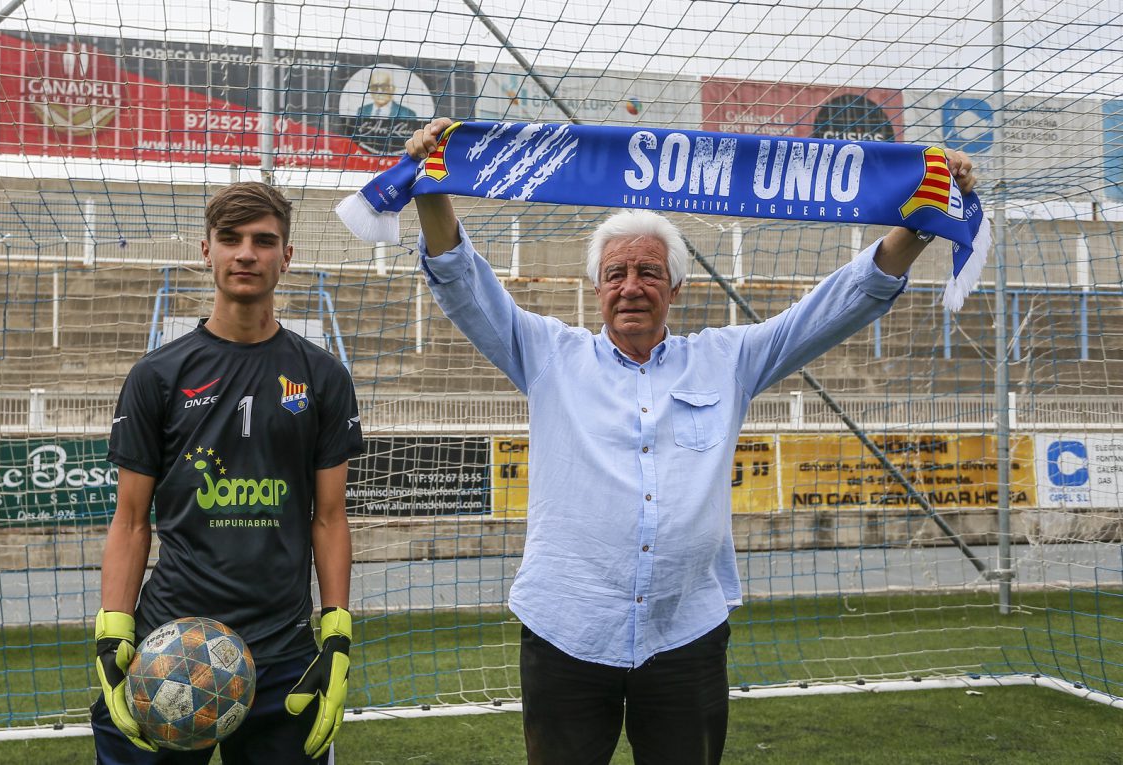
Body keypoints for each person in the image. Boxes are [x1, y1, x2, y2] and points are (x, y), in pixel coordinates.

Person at [405, 117, 976, 765]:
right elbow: (461, 278)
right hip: (566, 631)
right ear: (596, 288)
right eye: (616, 272)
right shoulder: (546, 353)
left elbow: (839, 302)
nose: (631, 285)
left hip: (685, 635)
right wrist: (432, 183)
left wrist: (926, 217)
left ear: (676, 287)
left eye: (649, 271)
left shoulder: (727, 359)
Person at [92, 182, 364, 765]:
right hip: (170, 646)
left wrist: (336, 632)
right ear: (206, 250)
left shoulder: (322, 377)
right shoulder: (157, 376)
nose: (246, 253)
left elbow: (331, 515)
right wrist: (114, 630)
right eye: (230, 239)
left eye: (264, 241)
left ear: (286, 257)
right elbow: (132, 520)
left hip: (283, 653)